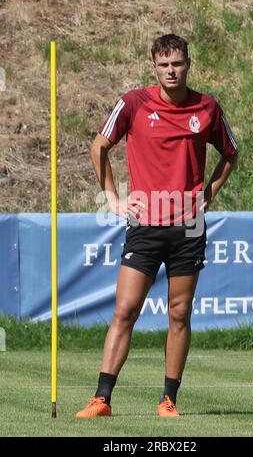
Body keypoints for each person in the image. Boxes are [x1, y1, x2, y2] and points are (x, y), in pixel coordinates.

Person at [76, 34, 238, 418]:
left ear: (187, 64)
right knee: (125, 309)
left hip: (189, 226)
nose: (171, 70)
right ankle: (101, 399)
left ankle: (168, 400)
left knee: (179, 313)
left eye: (178, 63)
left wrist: (208, 193)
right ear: (154, 66)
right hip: (145, 225)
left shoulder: (207, 107)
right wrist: (113, 199)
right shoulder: (133, 103)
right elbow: (99, 146)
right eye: (164, 64)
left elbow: (230, 153)